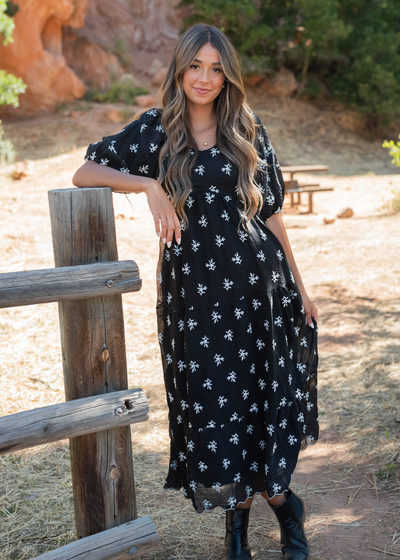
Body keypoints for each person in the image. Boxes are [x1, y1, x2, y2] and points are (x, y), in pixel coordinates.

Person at [73, 23, 319, 560]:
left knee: (258, 404)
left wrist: (300, 287)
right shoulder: (156, 130)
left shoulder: (246, 128)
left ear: (227, 74)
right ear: (180, 70)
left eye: (215, 68)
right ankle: (238, 520)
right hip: (199, 304)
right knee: (218, 407)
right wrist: (148, 184)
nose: (205, 78)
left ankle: (281, 505)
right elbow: (83, 171)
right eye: (195, 66)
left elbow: (271, 213)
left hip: (260, 291)